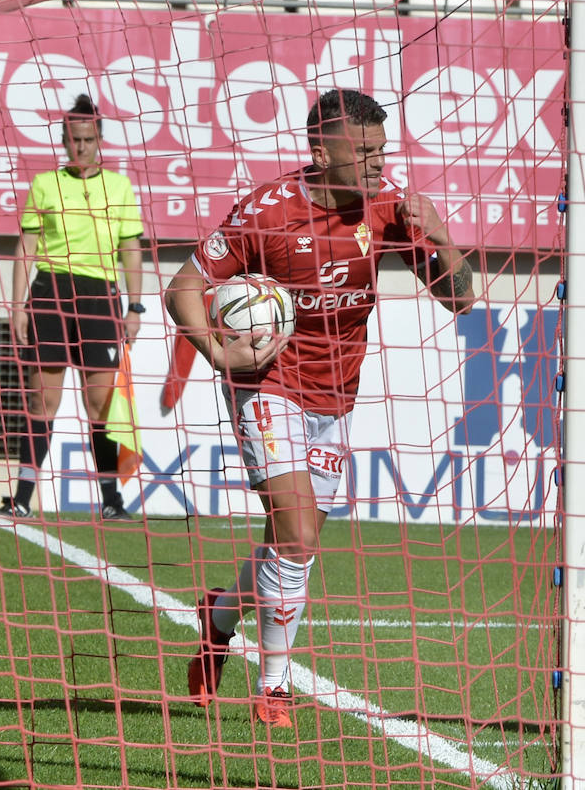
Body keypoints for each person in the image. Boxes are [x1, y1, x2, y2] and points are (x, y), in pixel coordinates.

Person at [166, 88, 475, 726]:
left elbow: (461, 299)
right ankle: (274, 688)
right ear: (320, 150)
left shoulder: (389, 206)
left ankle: (217, 617)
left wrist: (443, 238)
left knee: (290, 541)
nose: (377, 162)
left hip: (337, 396)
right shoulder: (267, 211)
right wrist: (218, 355)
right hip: (266, 383)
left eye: (381, 149)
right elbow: (184, 288)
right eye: (363, 151)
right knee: (300, 533)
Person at [0, 94, 145, 522]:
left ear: (99, 140)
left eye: (88, 140)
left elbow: (131, 250)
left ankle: (111, 500)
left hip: (100, 297)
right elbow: (25, 248)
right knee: (42, 401)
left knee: (99, 405)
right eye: (73, 140)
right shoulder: (45, 184)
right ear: (64, 141)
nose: (80, 147)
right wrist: (18, 307)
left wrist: (134, 307)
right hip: (51, 294)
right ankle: (22, 497)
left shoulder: (119, 187)